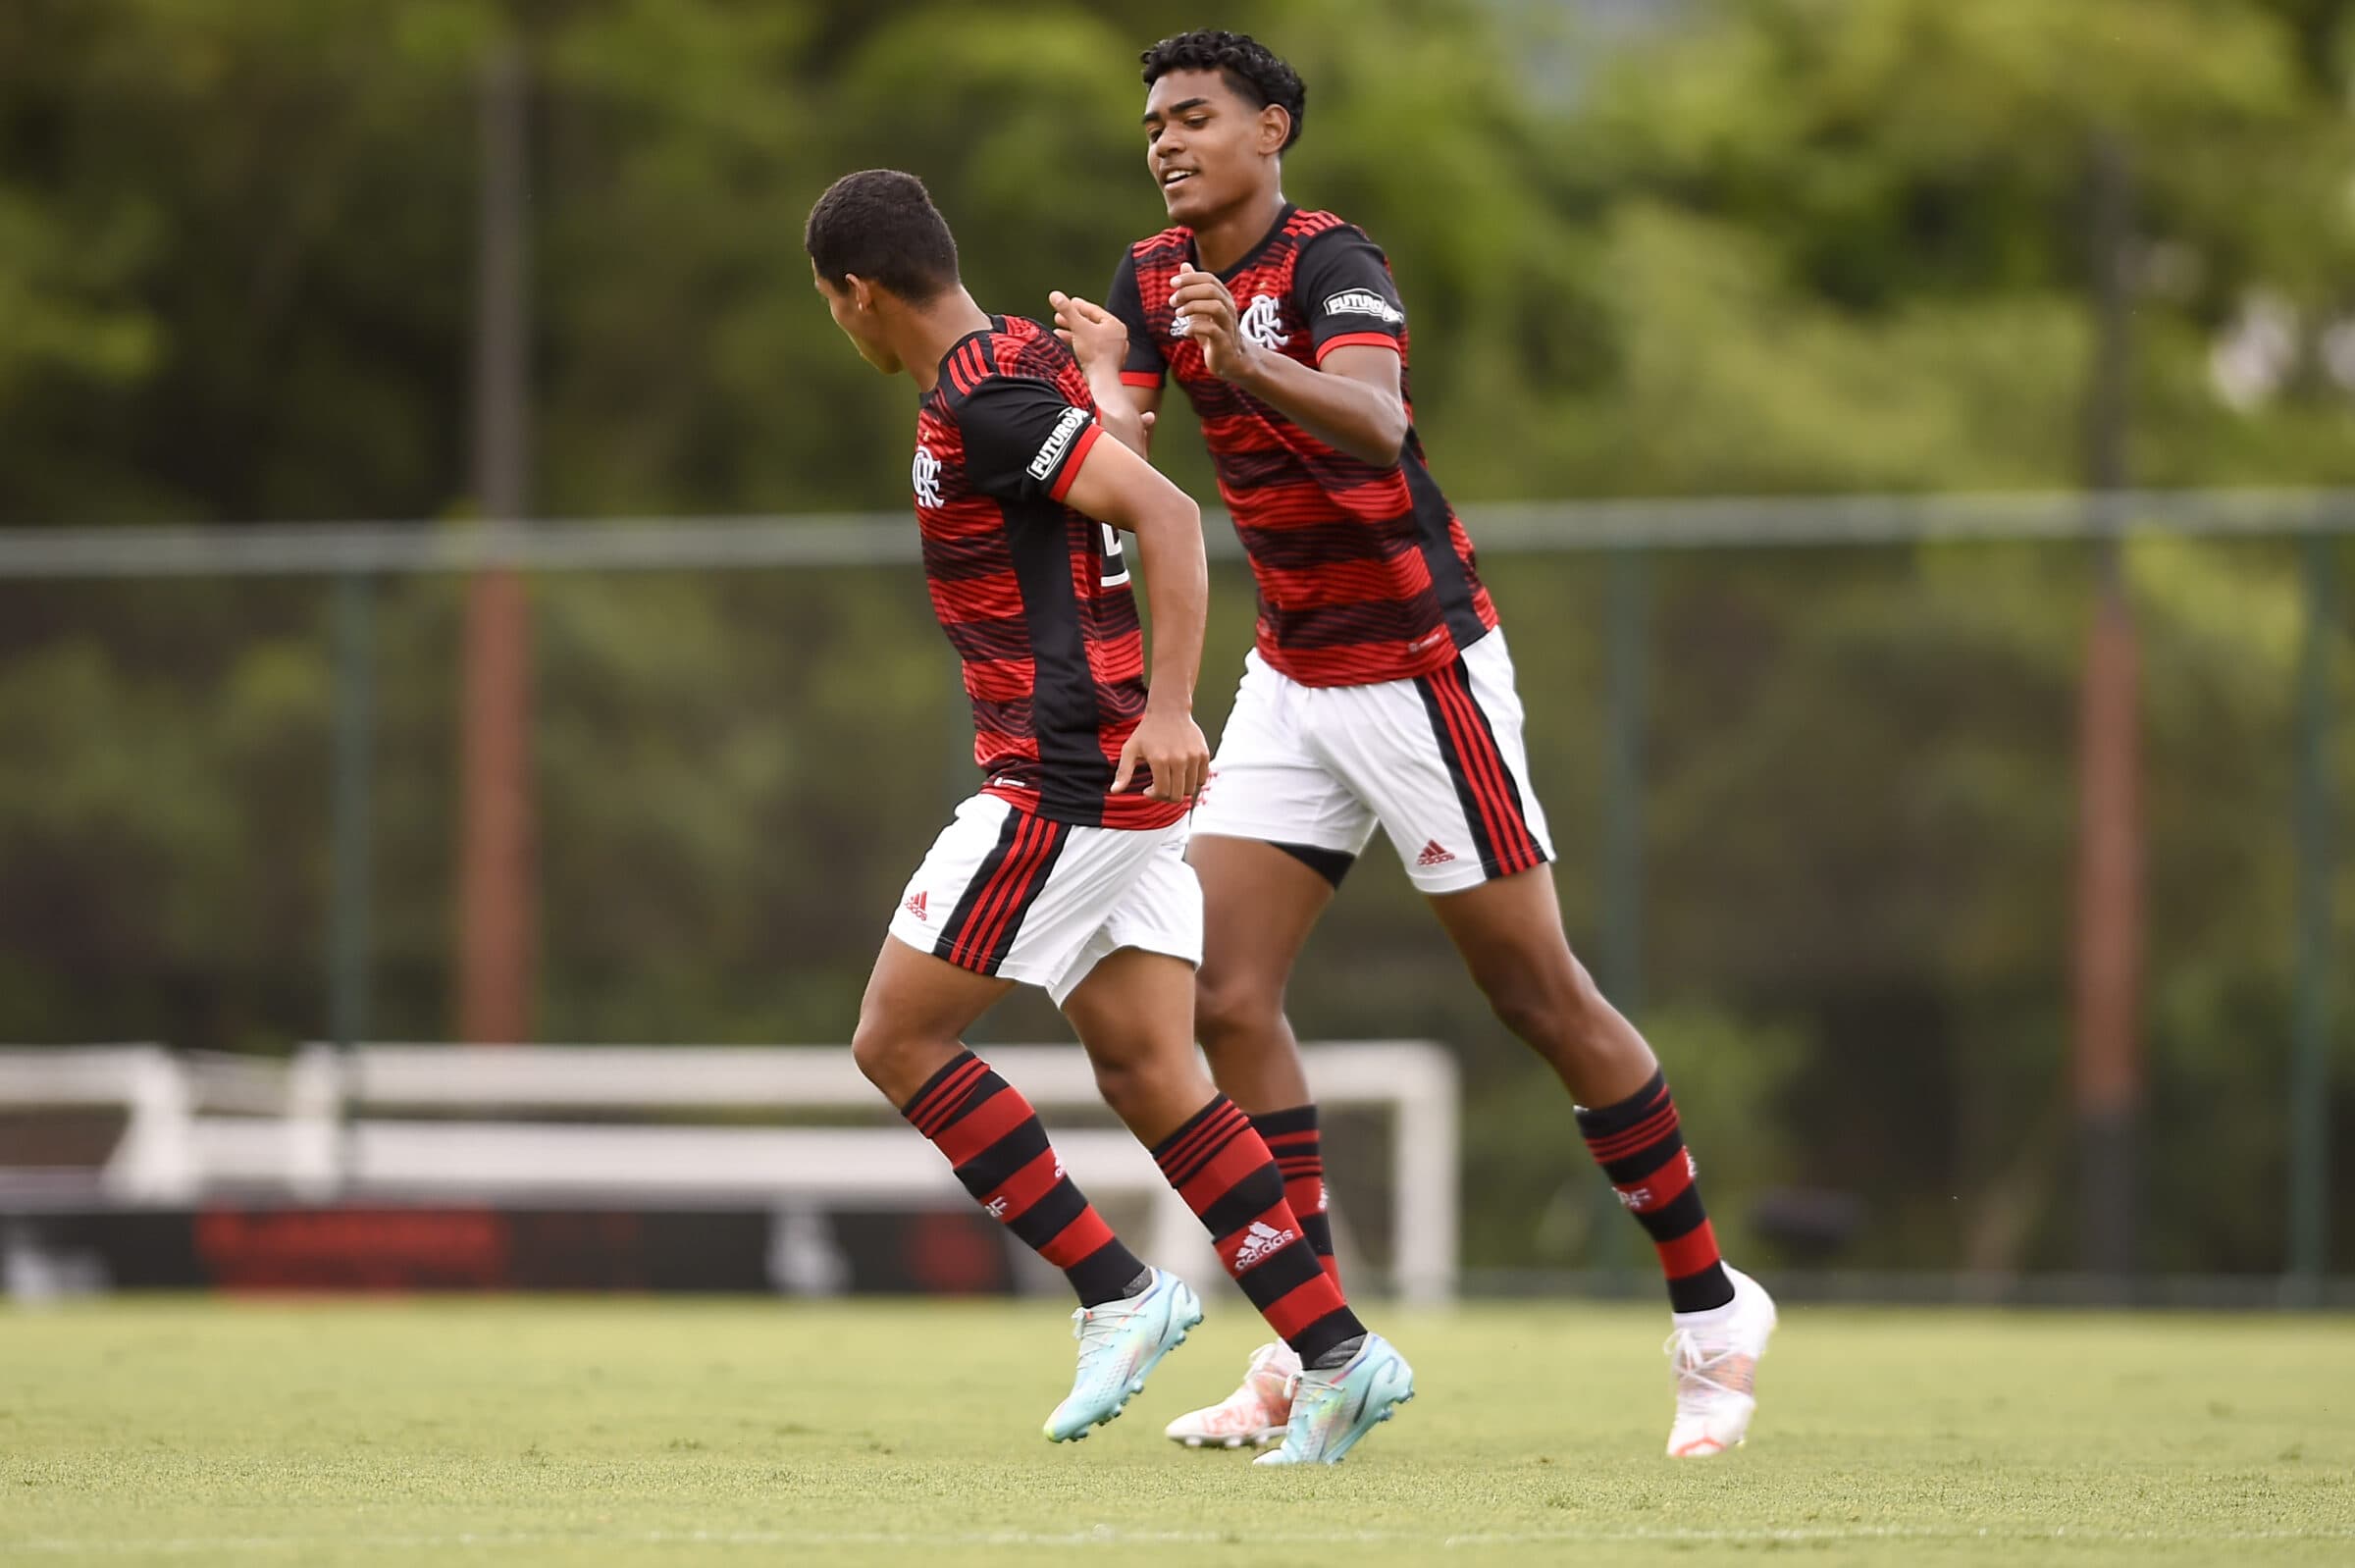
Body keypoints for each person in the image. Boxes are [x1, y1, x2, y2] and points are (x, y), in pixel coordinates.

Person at [1050, 32, 1777, 1459]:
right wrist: (1099, 390)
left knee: (1537, 995)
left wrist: (1242, 360)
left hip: (1421, 670)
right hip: (1295, 675)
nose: (1166, 141)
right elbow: (1127, 459)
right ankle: (1314, 1341)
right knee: (1225, 996)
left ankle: (1712, 1309)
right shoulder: (1150, 276)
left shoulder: (1332, 264)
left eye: (1195, 117)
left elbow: (1379, 426)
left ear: (1274, 131)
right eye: (1152, 124)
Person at [805, 168, 1413, 1463]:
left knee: (894, 1040)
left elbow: (1167, 517)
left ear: (857, 293)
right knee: (1152, 1071)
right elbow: (1106, 500)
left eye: (833, 308)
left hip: (1064, 780)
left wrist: (1175, 707)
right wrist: (1105, 386)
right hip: (1115, 793)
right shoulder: (1022, 361)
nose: (842, 329)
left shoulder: (989, 392)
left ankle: (1119, 1290)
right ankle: (1339, 1356)